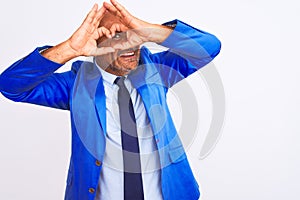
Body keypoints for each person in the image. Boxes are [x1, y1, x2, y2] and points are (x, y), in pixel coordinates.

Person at [0, 0, 221, 199]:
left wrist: (148, 31)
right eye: (116, 37)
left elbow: (209, 47)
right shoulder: (75, 84)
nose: (129, 45)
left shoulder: (157, 71)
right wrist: (70, 49)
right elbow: (11, 86)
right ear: (96, 42)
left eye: (131, 34)